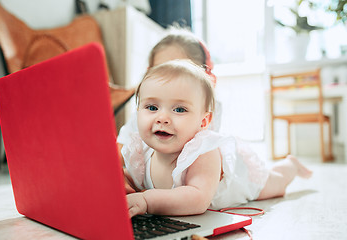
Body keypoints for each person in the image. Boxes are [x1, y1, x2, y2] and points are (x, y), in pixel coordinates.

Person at [122, 60, 313, 217]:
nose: (162, 118)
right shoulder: (141, 152)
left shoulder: (203, 152)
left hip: (244, 178)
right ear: (138, 111)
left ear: (203, 121)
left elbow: (198, 199)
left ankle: (290, 166)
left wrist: (147, 200)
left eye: (179, 109)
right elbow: (133, 177)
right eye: (152, 107)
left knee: (276, 184)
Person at [117, 27, 222, 160]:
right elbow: (118, 153)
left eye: (179, 109)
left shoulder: (207, 116)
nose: (162, 117)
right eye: (161, 73)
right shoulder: (144, 114)